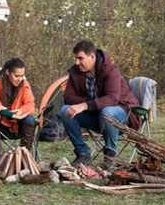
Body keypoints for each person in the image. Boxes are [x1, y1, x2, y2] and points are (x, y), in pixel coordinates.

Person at [58, 40, 140, 168]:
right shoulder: (75, 72)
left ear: (92, 56)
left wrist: (85, 105)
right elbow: (68, 97)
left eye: (80, 58)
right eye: (76, 58)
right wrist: (90, 104)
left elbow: (112, 98)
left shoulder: (110, 70)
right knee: (65, 111)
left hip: (122, 116)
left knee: (107, 111)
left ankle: (109, 155)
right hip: (95, 115)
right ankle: (83, 153)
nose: (77, 62)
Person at [0, 58, 36, 165]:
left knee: (30, 120)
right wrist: (4, 111)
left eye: (22, 76)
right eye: (16, 76)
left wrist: (20, 112)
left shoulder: (25, 85)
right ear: (8, 72)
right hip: (0, 126)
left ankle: (24, 156)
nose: (20, 79)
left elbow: (30, 104)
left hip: (18, 126)